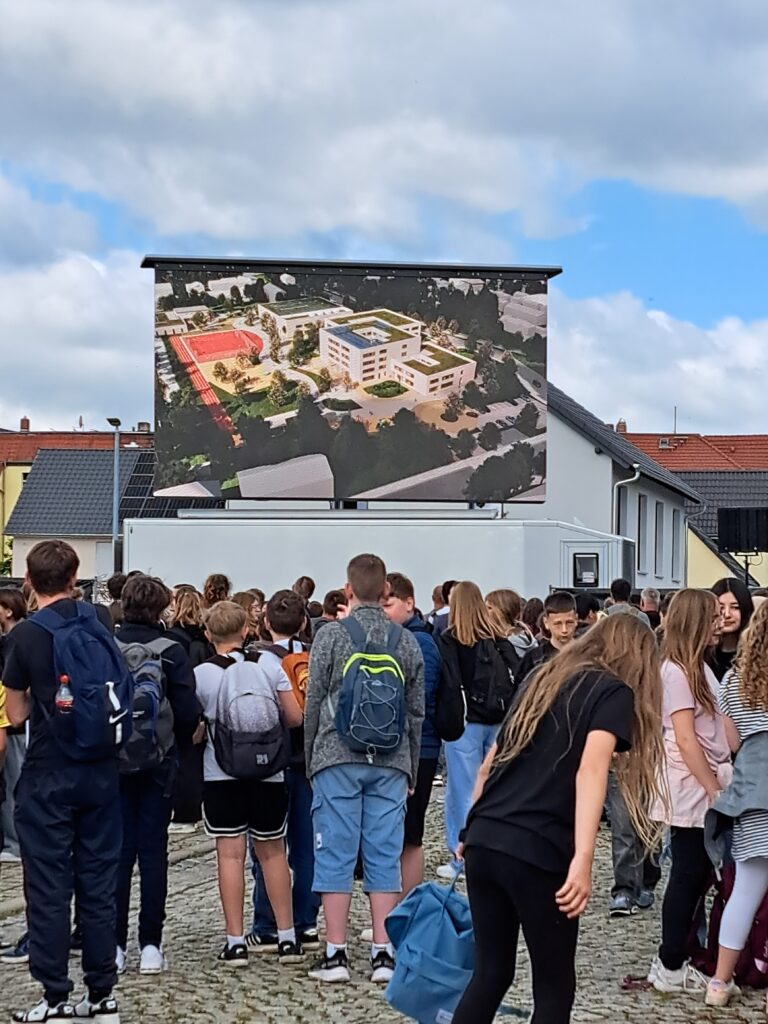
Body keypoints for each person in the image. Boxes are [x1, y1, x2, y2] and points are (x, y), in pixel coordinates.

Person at [451, 614, 664, 1024]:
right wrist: (583, 859)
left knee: (490, 974)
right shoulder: (612, 692)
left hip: (486, 836)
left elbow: (489, 764)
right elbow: (591, 770)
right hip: (537, 847)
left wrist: (469, 826)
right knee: (554, 987)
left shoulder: (542, 678)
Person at [4, 541, 123, 1023]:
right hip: (100, 769)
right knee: (99, 883)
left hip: (50, 772)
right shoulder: (98, 622)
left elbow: (15, 713)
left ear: (29, 581)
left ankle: (54, 995)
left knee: (49, 886)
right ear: (75, 577)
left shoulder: (27, 636)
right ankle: (101, 995)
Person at [304, 553, 424, 985]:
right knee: (384, 853)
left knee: (334, 851)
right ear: (387, 593)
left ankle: (336, 953)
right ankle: (382, 952)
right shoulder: (405, 641)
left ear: (348, 590)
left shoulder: (331, 636)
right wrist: (409, 766)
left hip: (337, 756)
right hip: (391, 760)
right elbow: (415, 712)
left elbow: (314, 699)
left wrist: (311, 757)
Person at [195, 601, 304, 967]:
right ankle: (287, 937)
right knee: (273, 852)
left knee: (230, 854)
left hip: (221, 771)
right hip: (268, 771)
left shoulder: (202, 675)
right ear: (246, 630)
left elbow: (195, 731)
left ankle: (235, 941)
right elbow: (293, 717)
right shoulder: (269, 666)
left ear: (208, 634)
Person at [114, 575, 201, 976]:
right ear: (162, 607)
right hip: (158, 761)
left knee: (114, 855)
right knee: (152, 854)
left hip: (110, 763)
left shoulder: (105, 646)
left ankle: (112, 944)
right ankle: (151, 944)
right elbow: (186, 711)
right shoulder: (172, 650)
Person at [648, 588, 731, 993]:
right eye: (714, 616)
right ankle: (670, 961)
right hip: (691, 783)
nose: (720, 623)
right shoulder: (677, 672)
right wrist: (713, 788)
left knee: (695, 872)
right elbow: (685, 738)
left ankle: (675, 954)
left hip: (701, 779)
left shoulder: (696, 666)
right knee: (687, 871)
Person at [704, 599, 768, 1007]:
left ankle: (719, 983)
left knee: (744, 890)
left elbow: (731, 744)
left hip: (751, 794)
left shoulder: (735, 681)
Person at [249, 589, 320, 953]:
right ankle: (307, 920)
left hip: (271, 761)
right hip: (310, 760)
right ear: (305, 622)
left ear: (264, 622)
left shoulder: (258, 662)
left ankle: (267, 921)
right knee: (307, 847)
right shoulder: (316, 657)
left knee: (267, 845)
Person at [436, 582, 511, 880]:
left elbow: (450, 681)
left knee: (463, 791)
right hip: (498, 717)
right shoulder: (496, 638)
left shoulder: (450, 638)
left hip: (465, 720)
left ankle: (461, 856)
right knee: (495, 786)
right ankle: (496, 849)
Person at [383, 572, 442, 896]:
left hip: (418, 747)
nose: (384, 612)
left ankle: (405, 908)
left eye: (388, 604)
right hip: (407, 745)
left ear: (409, 603)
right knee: (401, 834)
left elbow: (421, 699)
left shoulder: (419, 642)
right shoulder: (406, 638)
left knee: (409, 835)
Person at [165, 588, 213, 835]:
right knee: (194, 760)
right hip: (202, 703)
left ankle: (182, 811)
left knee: (182, 760)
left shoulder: (172, 639)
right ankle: (193, 809)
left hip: (180, 702)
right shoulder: (204, 640)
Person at [0, 587, 27, 865]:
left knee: (13, 784)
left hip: (12, 722)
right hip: (12, 721)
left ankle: (15, 842)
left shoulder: (13, 641)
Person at [515, 591, 579, 682]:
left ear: (576, 619)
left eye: (569, 622)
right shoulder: (533, 659)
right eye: (558, 624)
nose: (564, 630)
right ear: (546, 622)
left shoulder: (590, 656)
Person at [485, 589, 538, 675]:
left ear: (502, 611)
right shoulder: (524, 635)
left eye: (489, 608)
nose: (485, 612)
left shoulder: (511, 641)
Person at [710, 578, 754, 682]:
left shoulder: (755, 654)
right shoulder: (702, 656)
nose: (727, 614)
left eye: (735, 607)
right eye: (720, 608)